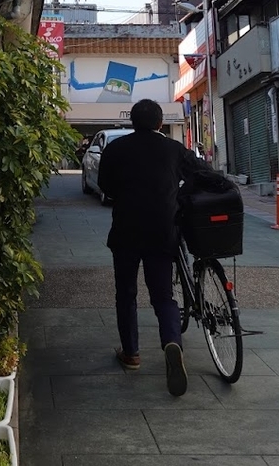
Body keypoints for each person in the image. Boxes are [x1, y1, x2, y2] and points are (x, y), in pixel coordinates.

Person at [96, 98, 224, 396]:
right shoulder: (174, 149)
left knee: (126, 293)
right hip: (163, 232)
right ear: (160, 123)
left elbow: (106, 186)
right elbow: (203, 174)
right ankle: (172, 342)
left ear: (132, 122)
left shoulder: (116, 148)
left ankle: (131, 354)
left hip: (126, 231)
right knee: (163, 296)